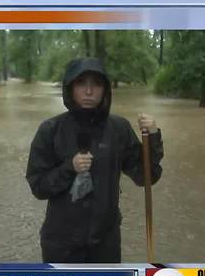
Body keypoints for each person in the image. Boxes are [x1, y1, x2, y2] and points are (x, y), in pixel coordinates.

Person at [25, 57, 163, 263]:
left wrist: (152, 137)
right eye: (81, 83)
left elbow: (146, 176)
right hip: (61, 244)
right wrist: (69, 168)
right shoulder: (51, 130)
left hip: (105, 244)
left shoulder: (119, 129)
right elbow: (38, 187)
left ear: (105, 89)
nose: (89, 91)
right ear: (70, 88)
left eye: (96, 84)